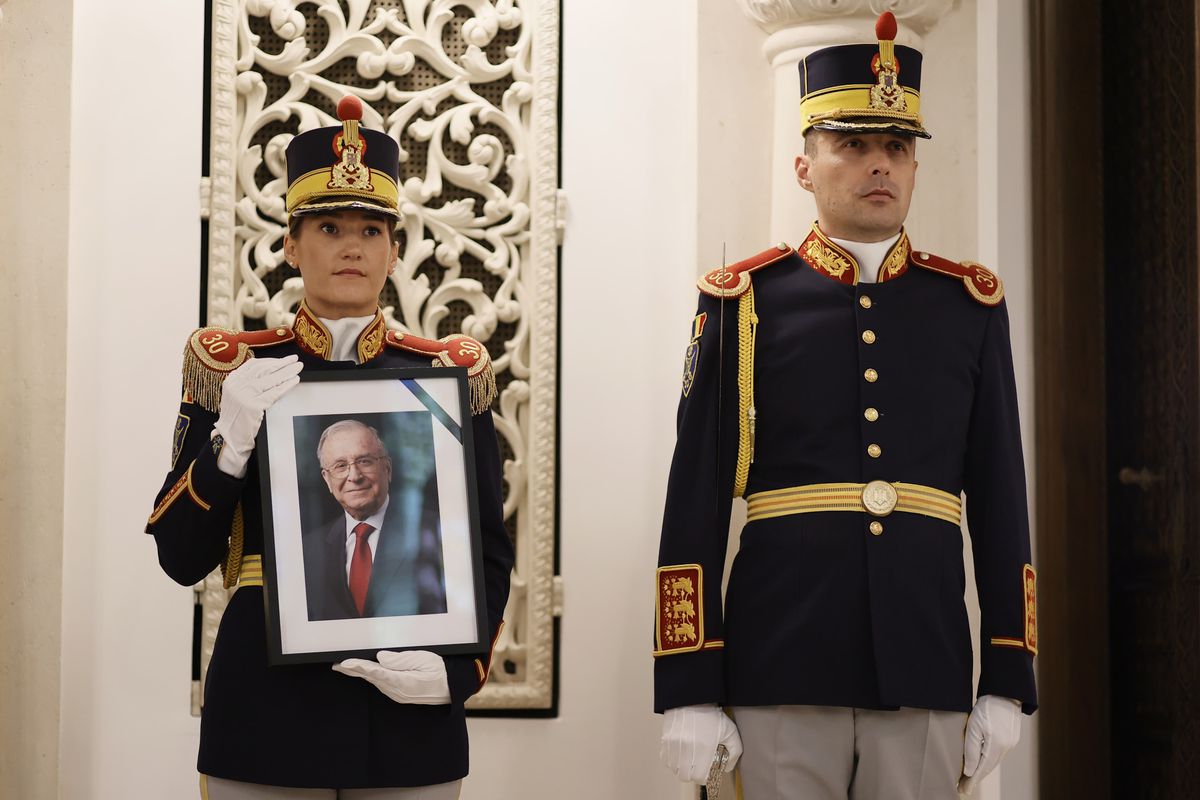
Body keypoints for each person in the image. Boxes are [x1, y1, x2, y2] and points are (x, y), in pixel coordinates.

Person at [654, 13, 1037, 800]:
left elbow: (1002, 502)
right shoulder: (741, 302)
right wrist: (686, 681)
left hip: (925, 661)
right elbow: (692, 498)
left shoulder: (969, 307)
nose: (878, 165)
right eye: (852, 144)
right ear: (804, 165)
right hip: (779, 662)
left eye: (896, 148)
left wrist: (1008, 672)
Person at [146, 95, 513, 798]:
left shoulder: (450, 373)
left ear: (396, 250)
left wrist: (459, 669)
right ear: (290, 243)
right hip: (266, 704)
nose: (353, 246)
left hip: (408, 709)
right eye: (330, 226)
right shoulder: (230, 369)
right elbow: (179, 557)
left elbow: (489, 552)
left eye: (373, 231)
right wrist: (229, 445)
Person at [303, 419, 447, 621]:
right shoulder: (308, 550)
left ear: (387, 468)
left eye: (364, 461)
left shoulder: (434, 532)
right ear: (327, 479)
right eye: (340, 465)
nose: (354, 476)